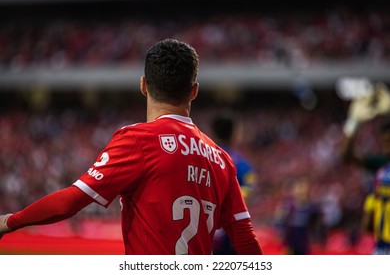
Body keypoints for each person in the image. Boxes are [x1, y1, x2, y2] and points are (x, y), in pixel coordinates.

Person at [0, 38, 263, 255]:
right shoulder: (221, 159)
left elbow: (71, 201)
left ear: (143, 85)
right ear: (194, 91)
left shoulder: (138, 140)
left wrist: (11, 221)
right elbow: (246, 240)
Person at [340, 82, 390, 254]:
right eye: (384, 143)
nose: (386, 147)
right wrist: (354, 121)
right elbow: (347, 155)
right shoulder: (382, 165)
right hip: (381, 249)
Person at [210, 114, 258, 254]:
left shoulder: (201, 159)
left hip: (202, 228)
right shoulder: (242, 165)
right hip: (229, 232)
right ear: (235, 134)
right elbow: (248, 195)